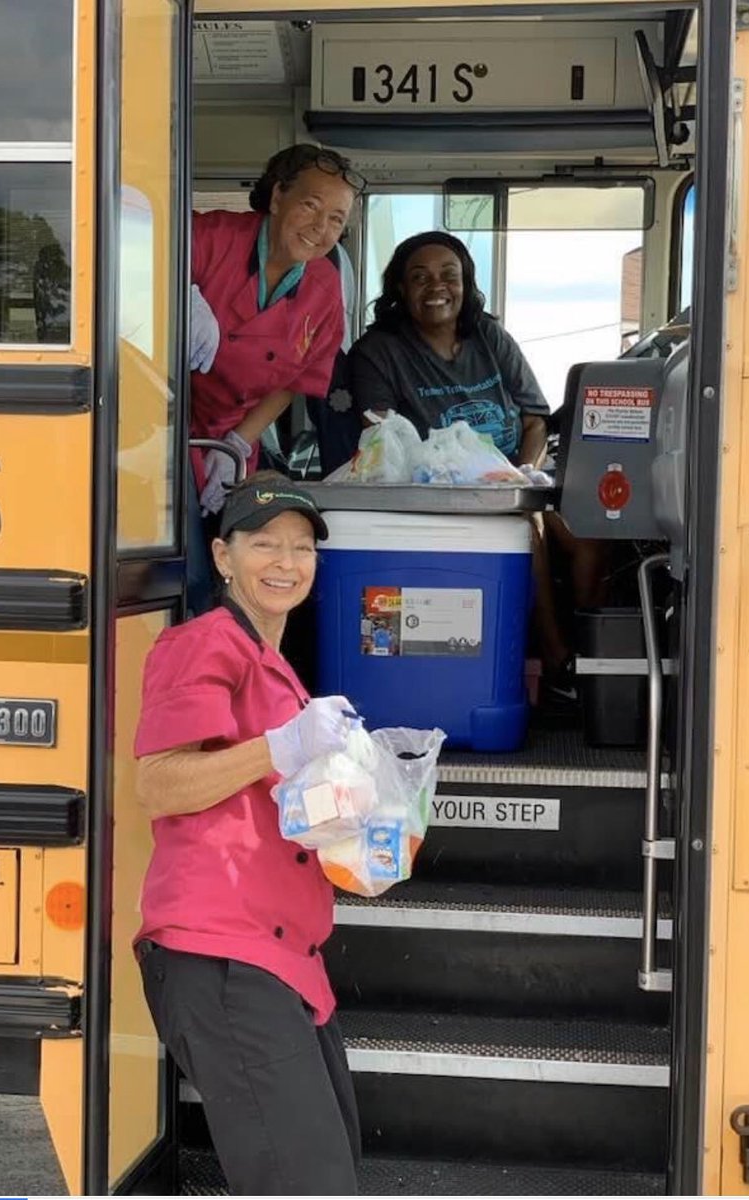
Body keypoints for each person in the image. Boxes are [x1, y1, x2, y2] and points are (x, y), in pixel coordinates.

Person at [133, 471, 362, 1196]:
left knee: (326, 1173)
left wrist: (361, 819)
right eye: (264, 544)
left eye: (301, 547)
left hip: (286, 960)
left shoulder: (276, 667)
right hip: (222, 958)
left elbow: (270, 807)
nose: (285, 562)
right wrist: (281, 747)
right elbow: (160, 783)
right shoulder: (202, 646)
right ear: (222, 556)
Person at [348, 231, 584, 695]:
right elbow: (383, 437)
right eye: (419, 277)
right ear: (399, 288)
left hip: (516, 478)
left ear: (466, 283)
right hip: (436, 487)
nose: (436, 286)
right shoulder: (378, 352)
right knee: (525, 530)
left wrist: (521, 471)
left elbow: (535, 416)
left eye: (448, 275)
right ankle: (556, 662)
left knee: (590, 536)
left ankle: (589, 659)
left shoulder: (490, 335)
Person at [188, 143, 366, 515]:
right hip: (165, 429)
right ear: (277, 196)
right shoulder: (211, 236)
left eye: (336, 219)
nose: (320, 228)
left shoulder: (326, 287)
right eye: (310, 205)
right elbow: (131, 246)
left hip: (234, 441)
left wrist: (238, 443)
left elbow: (296, 381)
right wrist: (176, 291)